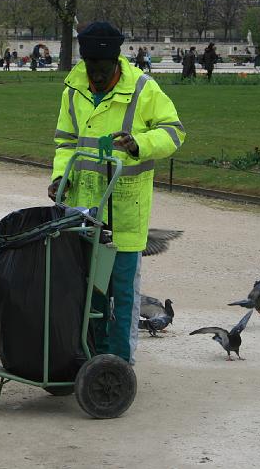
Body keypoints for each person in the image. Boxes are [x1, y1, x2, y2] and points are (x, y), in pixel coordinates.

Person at [48, 21, 185, 365]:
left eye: (102, 68)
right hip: (84, 211)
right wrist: (60, 177)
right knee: (89, 294)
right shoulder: (73, 89)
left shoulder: (143, 88)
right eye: (90, 66)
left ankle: (119, 365)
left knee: (122, 294)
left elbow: (174, 132)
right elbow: (66, 141)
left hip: (125, 209)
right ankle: (91, 358)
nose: (94, 74)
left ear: (117, 60)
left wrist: (140, 144)